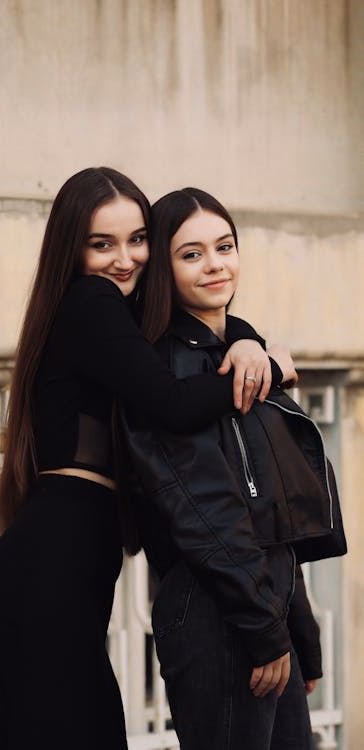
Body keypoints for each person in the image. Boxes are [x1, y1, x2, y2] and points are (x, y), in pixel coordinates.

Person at [0, 168, 288, 749]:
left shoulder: (115, 318)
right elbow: (172, 404)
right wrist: (270, 371)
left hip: (58, 573)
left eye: (137, 239)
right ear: (72, 248)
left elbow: (194, 328)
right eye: (102, 243)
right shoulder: (91, 300)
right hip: (43, 576)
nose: (125, 259)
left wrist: (246, 339)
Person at [121, 187, 345, 750]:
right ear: (164, 270)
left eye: (225, 246)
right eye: (192, 253)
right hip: (213, 608)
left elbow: (269, 510)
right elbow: (206, 509)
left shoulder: (238, 358)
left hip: (260, 602)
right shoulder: (169, 371)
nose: (216, 264)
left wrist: (299, 628)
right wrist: (267, 630)